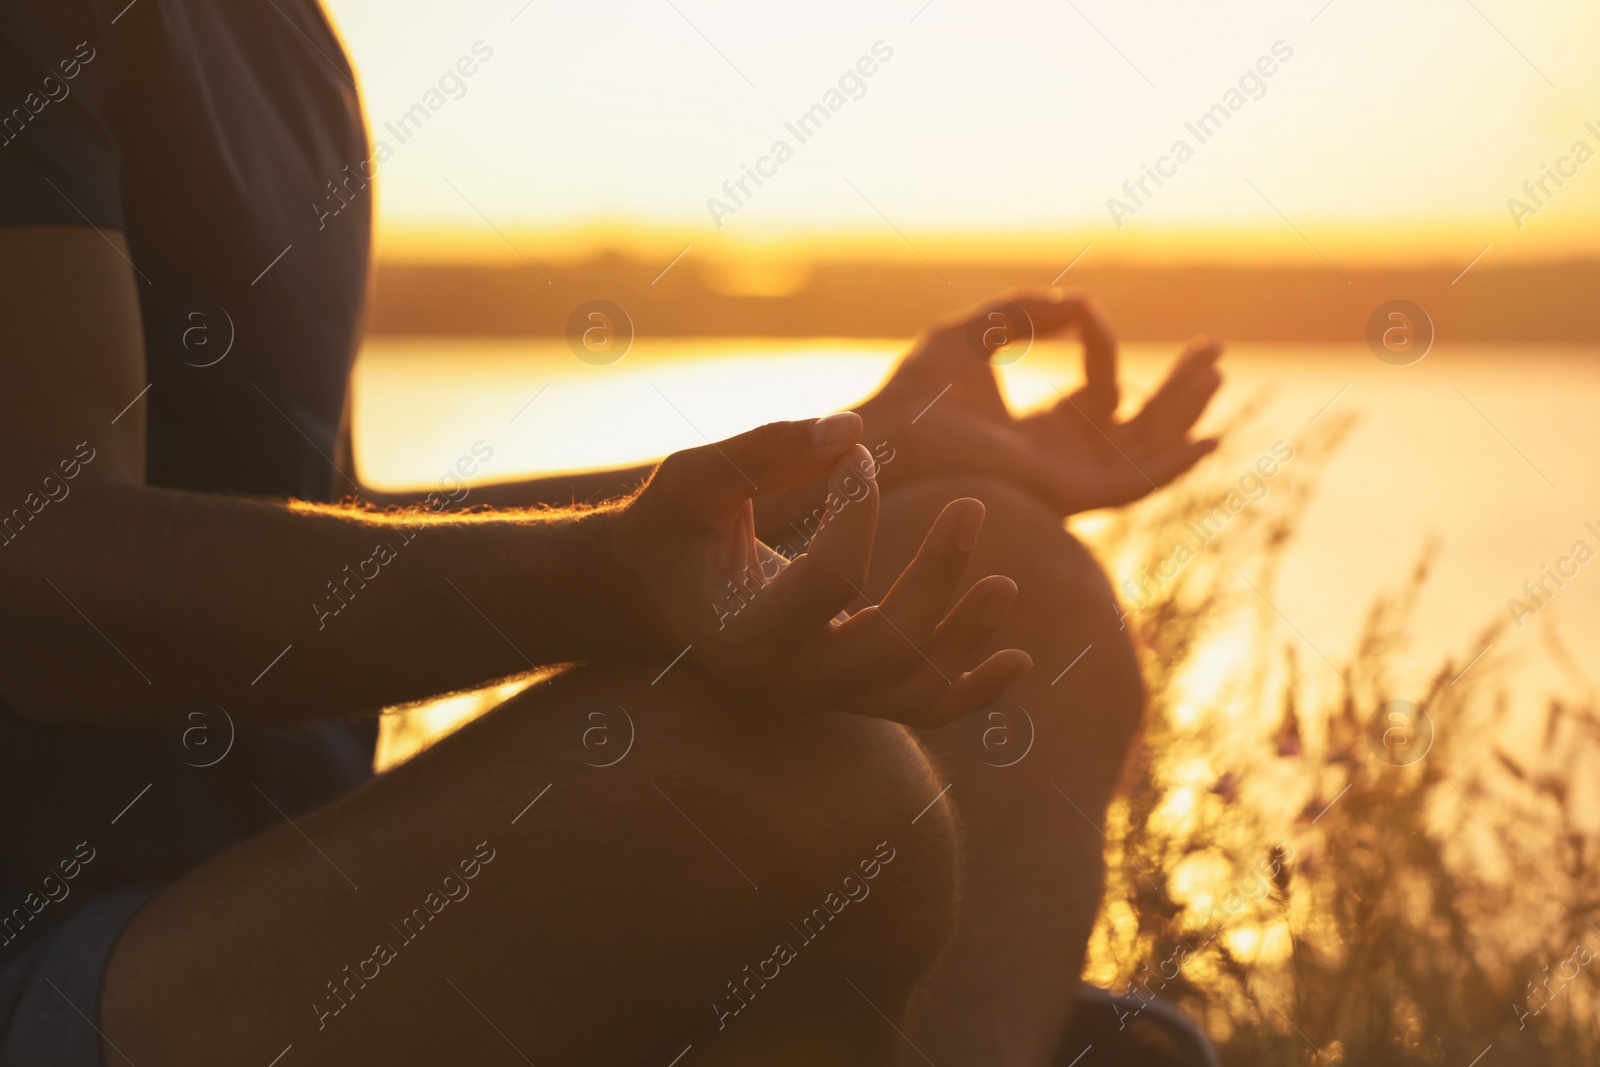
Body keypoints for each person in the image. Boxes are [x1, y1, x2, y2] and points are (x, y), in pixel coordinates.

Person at [0, 2, 1222, 1064]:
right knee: (800, 783)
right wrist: (619, 577)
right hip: (62, 965)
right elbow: (43, 585)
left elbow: (322, 525)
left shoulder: (287, 36)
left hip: (292, 889)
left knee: (1028, 587)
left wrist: (879, 442)